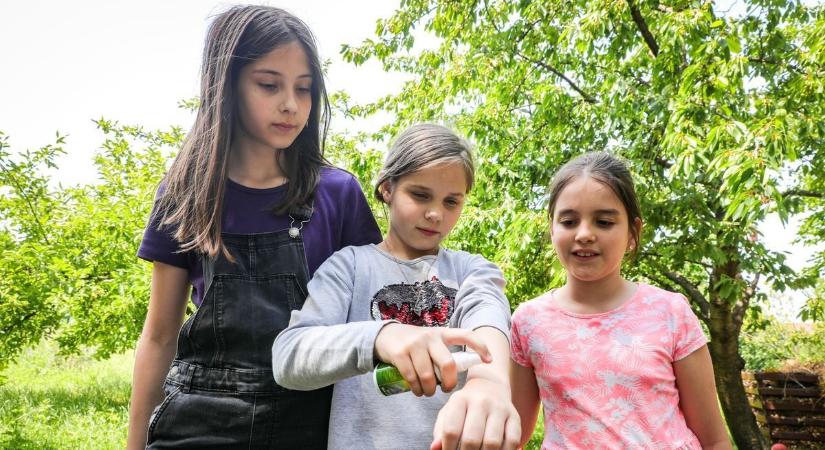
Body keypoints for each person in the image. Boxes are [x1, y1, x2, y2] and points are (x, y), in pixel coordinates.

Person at [126, 5, 381, 449]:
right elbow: (160, 335)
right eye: (269, 85)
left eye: (304, 90)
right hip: (197, 422)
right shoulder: (185, 193)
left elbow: (368, 325)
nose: (290, 104)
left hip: (310, 423)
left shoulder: (338, 194)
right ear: (226, 86)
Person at [272, 123, 520, 450]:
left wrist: (490, 382)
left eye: (452, 202)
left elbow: (487, 316)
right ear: (388, 188)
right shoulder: (349, 266)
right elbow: (289, 357)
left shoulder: (472, 270)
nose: (435, 214)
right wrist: (381, 337)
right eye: (420, 195)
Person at [509, 152, 732, 449]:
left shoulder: (670, 311)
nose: (584, 234)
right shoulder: (528, 320)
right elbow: (513, 436)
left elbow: (714, 440)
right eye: (569, 221)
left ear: (632, 232)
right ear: (552, 228)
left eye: (603, 222)